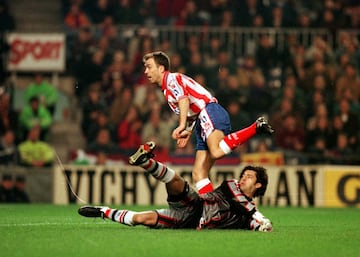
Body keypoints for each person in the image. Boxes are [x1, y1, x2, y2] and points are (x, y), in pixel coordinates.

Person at [141, 51, 274, 194]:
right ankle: (212, 211)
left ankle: (255, 127)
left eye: (149, 66)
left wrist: (181, 126)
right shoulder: (167, 90)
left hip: (210, 111)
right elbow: (192, 111)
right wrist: (188, 131)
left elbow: (184, 100)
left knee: (216, 151)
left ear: (161, 68)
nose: (145, 71)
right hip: (201, 120)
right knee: (198, 174)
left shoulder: (171, 79)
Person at [78, 142, 272, 231]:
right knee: (176, 181)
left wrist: (262, 227)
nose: (242, 179)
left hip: (187, 223)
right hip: (197, 205)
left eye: (248, 177)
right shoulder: (232, 186)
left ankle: (102, 211)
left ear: (258, 185)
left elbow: (253, 224)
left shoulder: (248, 215)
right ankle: (145, 162)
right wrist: (261, 218)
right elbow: (246, 208)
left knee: (141, 218)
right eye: (243, 175)